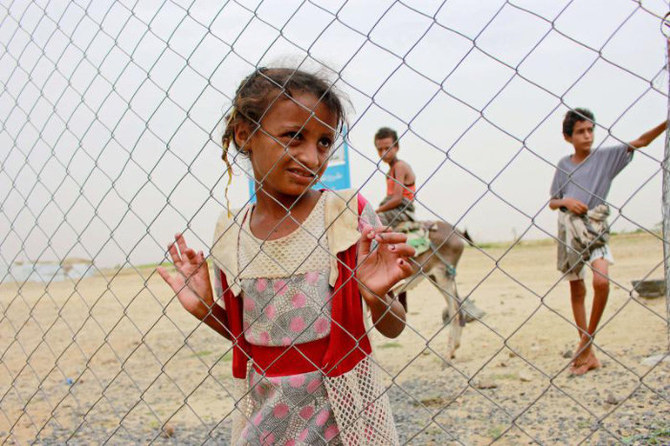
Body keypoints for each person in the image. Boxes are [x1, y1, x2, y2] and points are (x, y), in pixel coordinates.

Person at [157, 67, 415, 445]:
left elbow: (393, 326)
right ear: (245, 135)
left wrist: (376, 297)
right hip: (267, 423)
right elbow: (249, 337)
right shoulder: (230, 234)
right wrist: (205, 309)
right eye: (294, 137)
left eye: (325, 142)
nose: (312, 157)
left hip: (345, 419)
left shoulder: (346, 217)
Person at [549, 108, 667, 376]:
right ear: (568, 137)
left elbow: (641, 141)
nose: (587, 136)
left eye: (590, 130)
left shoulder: (605, 158)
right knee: (577, 290)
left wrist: (666, 122)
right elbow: (553, 201)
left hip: (595, 227)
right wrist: (566, 201)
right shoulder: (563, 165)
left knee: (601, 281)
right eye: (581, 131)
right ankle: (588, 353)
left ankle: (585, 342)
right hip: (570, 230)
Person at [374, 127, 417, 227]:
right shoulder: (390, 172)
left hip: (403, 211)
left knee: (376, 220)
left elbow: (397, 199)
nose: (384, 153)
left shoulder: (400, 166)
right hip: (394, 210)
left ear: (396, 147)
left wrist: (377, 211)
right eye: (380, 149)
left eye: (387, 148)